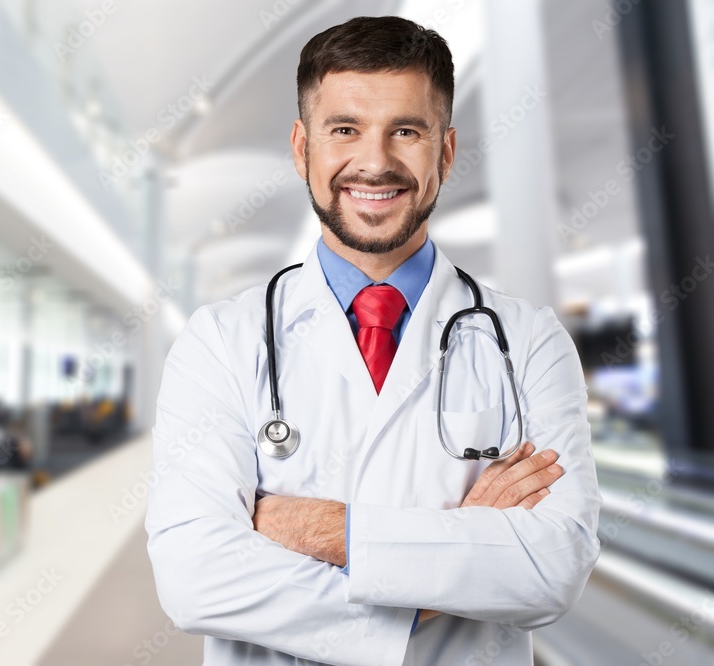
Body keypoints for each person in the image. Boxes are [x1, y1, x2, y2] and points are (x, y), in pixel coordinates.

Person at [146, 16, 601, 665]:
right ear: (303, 149)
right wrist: (465, 550)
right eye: (345, 130)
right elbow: (195, 579)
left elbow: (554, 566)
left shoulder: (529, 342)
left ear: (444, 152)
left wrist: (311, 528)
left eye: (406, 131)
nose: (375, 161)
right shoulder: (220, 341)